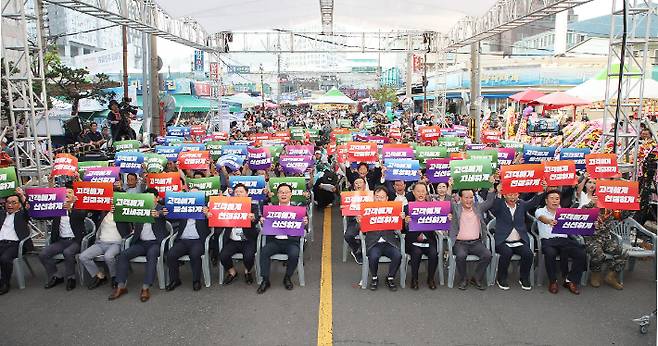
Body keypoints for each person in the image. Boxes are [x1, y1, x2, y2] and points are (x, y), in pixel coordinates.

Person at [109, 188, 168, 302]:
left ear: (157, 198)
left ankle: (145, 287)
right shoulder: (137, 208)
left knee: (151, 255)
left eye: (151, 197)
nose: (149, 200)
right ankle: (120, 286)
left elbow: (167, 214)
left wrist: (159, 214)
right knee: (123, 255)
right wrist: (116, 212)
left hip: (155, 243)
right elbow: (123, 223)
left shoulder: (162, 209)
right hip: (141, 243)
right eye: (146, 198)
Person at [486, 184, 546, 291]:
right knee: (506, 253)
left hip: (519, 240)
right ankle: (501, 278)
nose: (512, 197)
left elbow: (534, 202)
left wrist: (540, 190)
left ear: (518, 195)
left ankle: (524, 278)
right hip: (503, 241)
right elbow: (494, 208)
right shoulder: (500, 205)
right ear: (505, 195)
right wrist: (499, 193)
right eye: (510, 195)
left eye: (515, 195)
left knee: (528, 254)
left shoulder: (521, 204)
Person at [257, 183, 308, 294]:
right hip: (274, 241)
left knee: (294, 254)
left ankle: (287, 277)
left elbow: (305, 228)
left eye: (286, 192)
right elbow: (264, 224)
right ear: (277, 195)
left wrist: (304, 223)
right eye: (281, 192)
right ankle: (265, 280)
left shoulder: (298, 208)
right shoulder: (271, 208)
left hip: (291, 242)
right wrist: (262, 222)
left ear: (291, 194)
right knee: (264, 251)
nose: (283, 194)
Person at [535, 190, 587, 295]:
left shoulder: (565, 212)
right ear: (546, 200)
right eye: (552, 198)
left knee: (581, 254)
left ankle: (570, 280)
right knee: (550, 253)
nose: (555, 201)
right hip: (548, 241)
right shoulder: (540, 211)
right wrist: (549, 221)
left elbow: (577, 223)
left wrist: (591, 223)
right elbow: (542, 218)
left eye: (557, 198)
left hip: (564, 241)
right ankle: (553, 281)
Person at [38, 185, 87, 291]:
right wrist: (28, 207)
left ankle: (71, 278)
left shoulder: (79, 207)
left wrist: (71, 209)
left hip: (76, 240)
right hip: (61, 240)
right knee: (43, 254)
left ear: (74, 195)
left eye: (70, 192)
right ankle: (56, 275)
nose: (67, 194)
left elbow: (82, 215)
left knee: (68, 252)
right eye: (65, 192)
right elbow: (40, 215)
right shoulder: (56, 207)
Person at [449, 183, 495, 290]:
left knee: (487, 255)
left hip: (476, 242)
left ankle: (476, 278)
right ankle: (463, 279)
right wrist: (450, 187)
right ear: (460, 198)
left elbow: (489, 202)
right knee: (460, 256)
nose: (469, 200)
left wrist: (491, 185)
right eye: (466, 198)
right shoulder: (456, 208)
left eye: (471, 197)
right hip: (460, 243)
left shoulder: (477, 207)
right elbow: (447, 202)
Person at [79, 207, 133, 290]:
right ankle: (100, 276)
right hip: (101, 243)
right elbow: (87, 211)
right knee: (83, 257)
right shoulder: (103, 213)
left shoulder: (124, 214)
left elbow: (128, 228)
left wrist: (119, 212)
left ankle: (114, 277)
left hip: (116, 243)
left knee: (108, 256)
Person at [362, 186, 403, 291]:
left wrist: (401, 218)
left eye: (382, 197)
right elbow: (362, 230)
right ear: (373, 197)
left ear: (387, 198)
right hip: (374, 243)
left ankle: (390, 277)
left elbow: (399, 228)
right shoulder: (367, 209)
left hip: (389, 242)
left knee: (398, 255)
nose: (379, 199)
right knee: (374, 256)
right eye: (377, 196)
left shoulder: (392, 209)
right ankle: (374, 278)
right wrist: (360, 221)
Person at [165, 203, 212, 292]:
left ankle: (196, 280)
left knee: (194, 254)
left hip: (198, 241)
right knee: (171, 255)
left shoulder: (205, 209)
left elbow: (214, 220)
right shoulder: (182, 209)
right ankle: (175, 280)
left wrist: (207, 214)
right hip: (183, 241)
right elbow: (170, 217)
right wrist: (166, 212)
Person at [219, 184, 260, 285]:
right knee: (223, 255)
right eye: (236, 192)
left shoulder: (253, 206)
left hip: (247, 239)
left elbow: (256, 218)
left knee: (249, 256)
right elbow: (218, 216)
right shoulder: (227, 206)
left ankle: (248, 271)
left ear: (247, 194)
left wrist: (253, 218)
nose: (238, 194)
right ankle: (232, 272)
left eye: (241, 192)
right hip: (232, 240)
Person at [403, 182, 438, 290]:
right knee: (416, 253)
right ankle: (414, 279)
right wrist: (405, 222)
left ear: (426, 192)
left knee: (433, 254)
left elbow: (439, 222)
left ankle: (431, 278)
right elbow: (403, 229)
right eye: (418, 191)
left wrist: (447, 217)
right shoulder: (407, 207)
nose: (421, 193)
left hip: (428, 240)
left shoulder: (433, 207)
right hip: (413, 241)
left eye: (423, 191)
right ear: (413, 193)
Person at [583, 207, 628, 290]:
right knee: (598, 254)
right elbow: (581, 213)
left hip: (606, 239)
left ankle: (611, 276)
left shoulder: (611, 209)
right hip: (591, 239)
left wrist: (632, 206)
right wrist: (593, 203)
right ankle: (595, 274)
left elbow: (622, 216)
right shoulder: (588, 207)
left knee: (623, 252)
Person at [0, 190, 31, 295]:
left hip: (15, 244)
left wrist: (22, 195)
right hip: (1, 243)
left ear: (19, 205)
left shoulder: (22, 215)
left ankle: (5, 283)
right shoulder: (1, 214)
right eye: (8, 202)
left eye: (14, 202)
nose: (10, 205)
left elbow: (28, 208)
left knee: (4, 259)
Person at [344, 177, 368, 264]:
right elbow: (345, 211)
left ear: (364, 185)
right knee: (348, 236)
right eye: (356, 183)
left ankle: (366, 249)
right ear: (354, 186)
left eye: (360, 183)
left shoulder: (371, 196)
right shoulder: (349, 197)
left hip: (367, 220)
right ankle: (356, 249)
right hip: (354, 221)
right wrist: (344, 207)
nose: (358, 185)